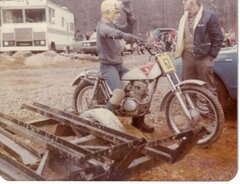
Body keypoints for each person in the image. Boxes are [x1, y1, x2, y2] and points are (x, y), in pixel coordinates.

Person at [96, 0, 154, 133]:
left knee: (140, 84)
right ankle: (104, 123)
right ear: (108, 12)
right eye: (116, 12)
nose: (118, 15)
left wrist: (129, 15)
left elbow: (128, 28)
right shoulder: (102, 26)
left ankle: (138, 122)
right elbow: (111, 33)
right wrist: (125, 36)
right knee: (119, 93)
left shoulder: (113, 25)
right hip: (107, 67)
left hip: (118, 65)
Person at [175, 0, 224, 98]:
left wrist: (211, 56)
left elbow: (218, 37)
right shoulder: (183, 17)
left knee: (208, 87)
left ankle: (211, 112)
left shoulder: (209, 15)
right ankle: (192, 111)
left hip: (204, 57)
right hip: (187, 56)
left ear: (193, 1)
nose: (183, 2)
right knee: (188, 86)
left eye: (185, 0)